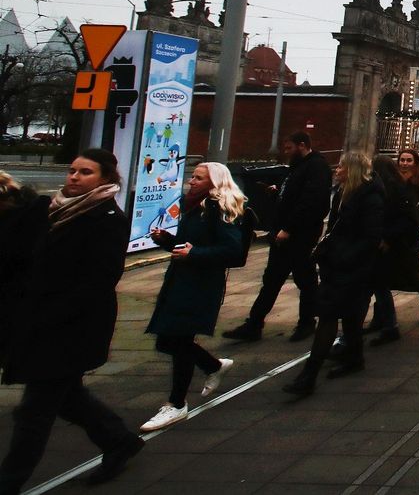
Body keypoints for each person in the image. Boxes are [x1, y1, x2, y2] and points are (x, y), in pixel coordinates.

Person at [0, 155, 142, 493]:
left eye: (85, 172)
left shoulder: (106, 218)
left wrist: (49, 316)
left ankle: (9, 482)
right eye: (72, 170)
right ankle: (119, 440)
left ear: (106, 178)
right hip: (44, 320)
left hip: (71, 327)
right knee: (67, 397)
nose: (75, 177)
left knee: (34, 411)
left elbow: (98, 281)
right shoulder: (55, 208)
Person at [140, 163, 247, 432]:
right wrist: (166, 240)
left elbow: (233, 251)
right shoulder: (195, 205)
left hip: (200, 284)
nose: (191, 181)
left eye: (199, 178)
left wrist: (193, 255)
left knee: (177, 337)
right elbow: (190, 243)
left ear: (214, 182)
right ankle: (212, 366)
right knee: (171, 338)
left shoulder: (219, 207)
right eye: (192, 176)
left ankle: (176, 404)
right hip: (182, 280)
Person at [282, 151, 384, 397]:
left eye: (341, 167)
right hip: (338, 265)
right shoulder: (342, 193)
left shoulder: (370, 197)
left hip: (353, 267)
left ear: (353, 170)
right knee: (349, 317)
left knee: (329, 317)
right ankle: (354, 358)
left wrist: (343, 257)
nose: (337, 170)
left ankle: (309, 374)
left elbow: (370, 237)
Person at [225, 132, 332, 342]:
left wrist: (289, 228)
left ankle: (306, 322)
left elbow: (311, 202)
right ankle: (255, 323)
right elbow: (297, 194)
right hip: (285, 233)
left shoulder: (316, 166)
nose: (286, 152)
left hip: (300, 234)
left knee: (304, 279)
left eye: (289, 148)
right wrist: (278, 193)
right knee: (273, 279)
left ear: (302, 145)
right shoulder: (299, 166)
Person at [366, 156, 419, 346]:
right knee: (383, 278)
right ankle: (380, 317)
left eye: (409, 160)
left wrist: (416, 227)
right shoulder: (391, 183)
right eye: (402, 160)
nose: (405, 163)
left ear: (415, 163)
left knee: (413, 275)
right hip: (392, 239)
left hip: (408, 239)